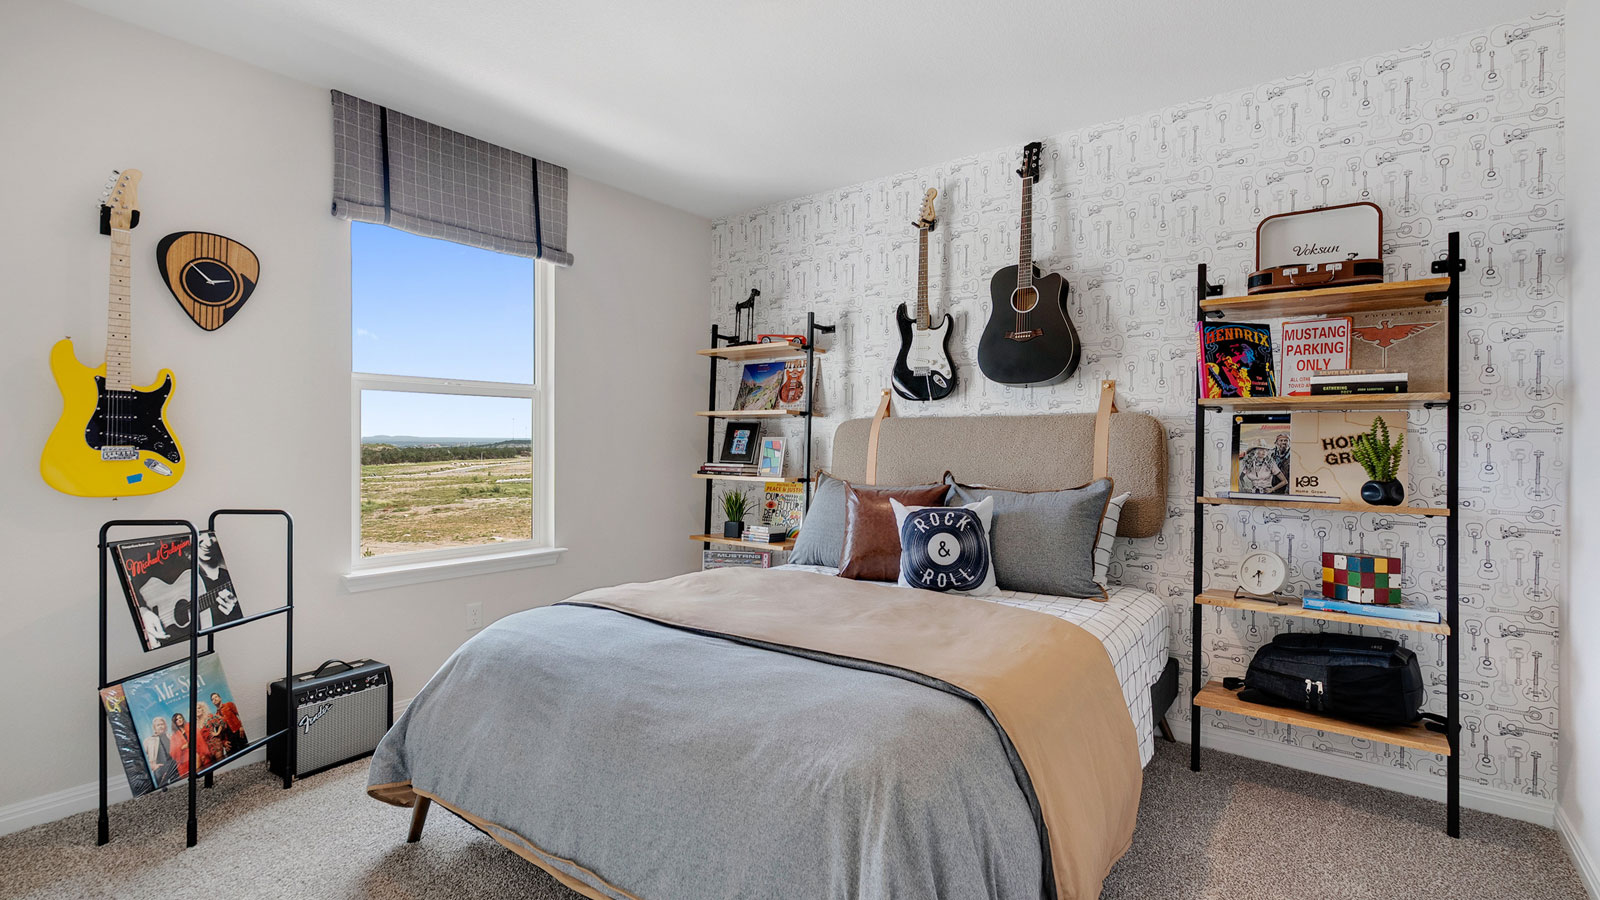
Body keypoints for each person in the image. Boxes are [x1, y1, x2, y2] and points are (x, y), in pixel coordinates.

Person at [143, 717, 179, 787]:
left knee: (179, 785)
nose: (160, 727)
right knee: (163, 789)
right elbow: (143, 757)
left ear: (165, 726)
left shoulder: (171, 736)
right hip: (159, 769)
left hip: (174, 766)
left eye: (162, 724)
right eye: (158, 725)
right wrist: (152, 766)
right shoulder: (148, 741)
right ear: (154, 728)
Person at [211, 691, 246, 756]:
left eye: (216, 697)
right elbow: (219, 734)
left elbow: (240, 714)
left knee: (246, 750)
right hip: (230, 739)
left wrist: (242, 726)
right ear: (212, 703)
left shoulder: (229, 705)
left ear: (220, 698)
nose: (215, 699)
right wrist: (224, 742)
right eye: (212, 699)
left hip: (240, 733)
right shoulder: (215, 717)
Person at [169, 712, 191, 778]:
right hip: (184, 759)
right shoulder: (174, 736)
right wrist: (182, 747)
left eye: (180, 718)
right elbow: (173, 752)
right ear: (174, 722)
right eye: (177, 719)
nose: (179, 720)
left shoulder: (190, 726)